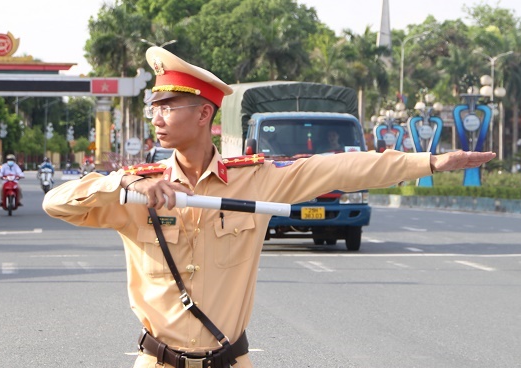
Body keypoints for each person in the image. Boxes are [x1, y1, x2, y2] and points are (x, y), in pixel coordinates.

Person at [44, 47, 495, 368]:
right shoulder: (138, 189)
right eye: (153, 106)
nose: (156, 117)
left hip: (229, 360)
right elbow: (56, 203)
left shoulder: (256, 179)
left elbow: (340, 169)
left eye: (168, 106)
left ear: (204, 115)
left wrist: (431, 161)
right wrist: (122, 184)